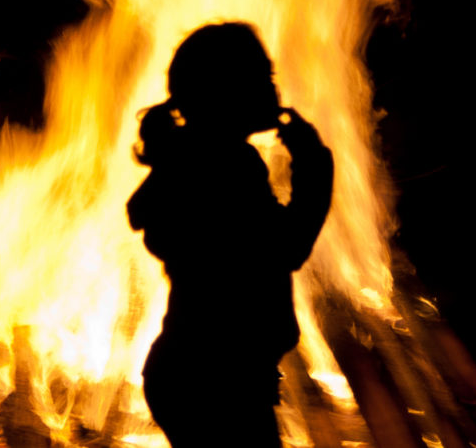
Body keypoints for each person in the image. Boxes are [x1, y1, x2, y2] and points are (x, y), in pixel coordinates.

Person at [128, 23, 333, 446]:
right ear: (226, 92)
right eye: (263, 76)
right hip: (216, 381)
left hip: (199, 374)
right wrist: (313, 163)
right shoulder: (223, 166)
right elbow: (285, 247)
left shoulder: (192, 157)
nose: (274, 89)